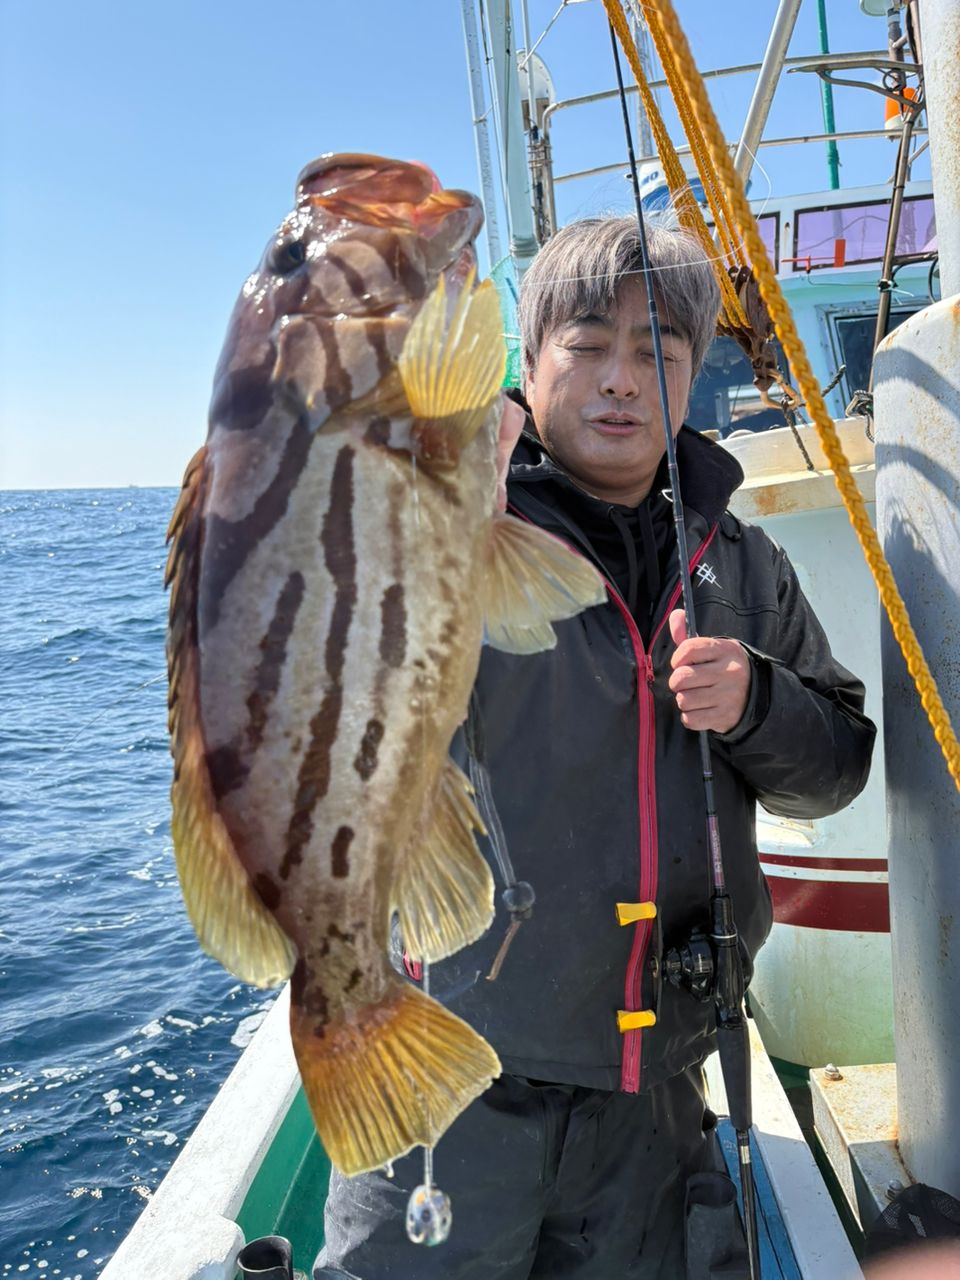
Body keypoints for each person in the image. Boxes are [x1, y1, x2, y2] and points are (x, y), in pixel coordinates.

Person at [314, 216, 876, 1278]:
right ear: (528, 369)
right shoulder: (448, 509)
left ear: (692, 375)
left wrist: (756, 700)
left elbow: (839, 763)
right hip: (450, 1073)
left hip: (653, 1093)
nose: (621, 380)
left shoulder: (744, 567)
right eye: (586, 345)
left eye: (656, 352)